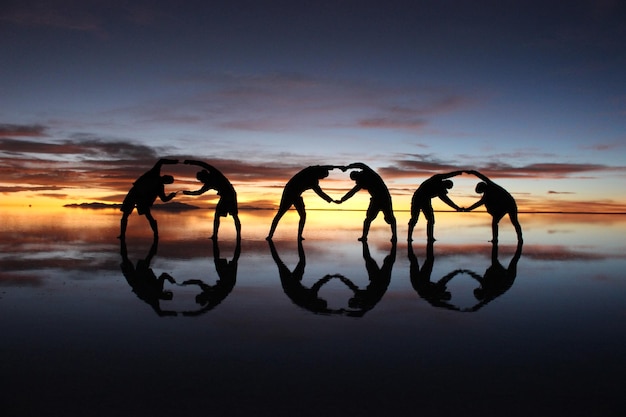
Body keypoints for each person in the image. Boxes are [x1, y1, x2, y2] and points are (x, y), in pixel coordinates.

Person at [266, 165, 341, 241]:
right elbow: (321, 192)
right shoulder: (311, 174)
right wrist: (338, 167)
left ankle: (299, 236)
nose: (322, 178)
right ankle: (270, 235)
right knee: (280, 214)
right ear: (319, 173)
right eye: (323, 177)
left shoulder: (312, 175)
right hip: (288, 193)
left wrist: (331, 200)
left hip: (297, 195)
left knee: (303, 215)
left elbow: (320, 192)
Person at [336, 162, 397, 242]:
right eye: (355, 178)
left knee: (389, 219)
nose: (357, 179)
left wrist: (348, 167)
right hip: (376, 199)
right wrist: (342, 200)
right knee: (368, 219)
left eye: (356, 175)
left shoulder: (367, 172)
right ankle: (364, 237)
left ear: (358, 173)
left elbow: (360, 165)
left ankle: (394, 236)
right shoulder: (361, 182)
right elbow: (352, 192)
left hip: (384, 198)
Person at [119, 158, 179, 239]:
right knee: (127, 215)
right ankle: (123, 235)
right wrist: (174, 162)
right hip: (135, 193)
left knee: (147, 216)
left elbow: (164, 199)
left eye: (167, 179)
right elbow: (161, 161)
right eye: (167, 178)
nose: (165, 178)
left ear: (166, 181)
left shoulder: (160, 186)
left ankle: (156, 235)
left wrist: (171, 196)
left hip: (142, 199)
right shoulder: (155, 173)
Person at [183, 159, 241, 241]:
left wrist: (190, 162)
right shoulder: (208, 184)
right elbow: (199, 192)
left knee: (233, 215)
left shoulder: (214, 173)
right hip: (226, 196)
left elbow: (202, 163)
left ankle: (237, 236)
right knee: (221, 215)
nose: (202, 182)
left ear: (204, 176)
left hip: (230, 194)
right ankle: (215, 235)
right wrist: (188, 193)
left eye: (201, 180)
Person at [463, 170, 523, 243]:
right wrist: (468, 209)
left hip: (509, 204)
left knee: (512, 222)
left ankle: (517, 239)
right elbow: (479, 203)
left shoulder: (490, 185)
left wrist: (473, 172)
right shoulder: (486, 196)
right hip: (505, 205)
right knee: (508, 222)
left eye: (480, 192)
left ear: (482, 188)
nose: (481, 193)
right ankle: (497, 239)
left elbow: (482, 177)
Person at [408, 171, 464, 242]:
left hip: (426, 200)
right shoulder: (437, 178)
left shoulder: (440, 191)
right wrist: (458, 173)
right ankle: (409, 237)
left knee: (430, 219)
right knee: (414, 218)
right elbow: (447, 175)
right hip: (417, 198)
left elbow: (447, 200)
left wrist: (457, 208)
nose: (445, 188)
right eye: (446, 186)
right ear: (445, 182)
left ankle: (430, 237)